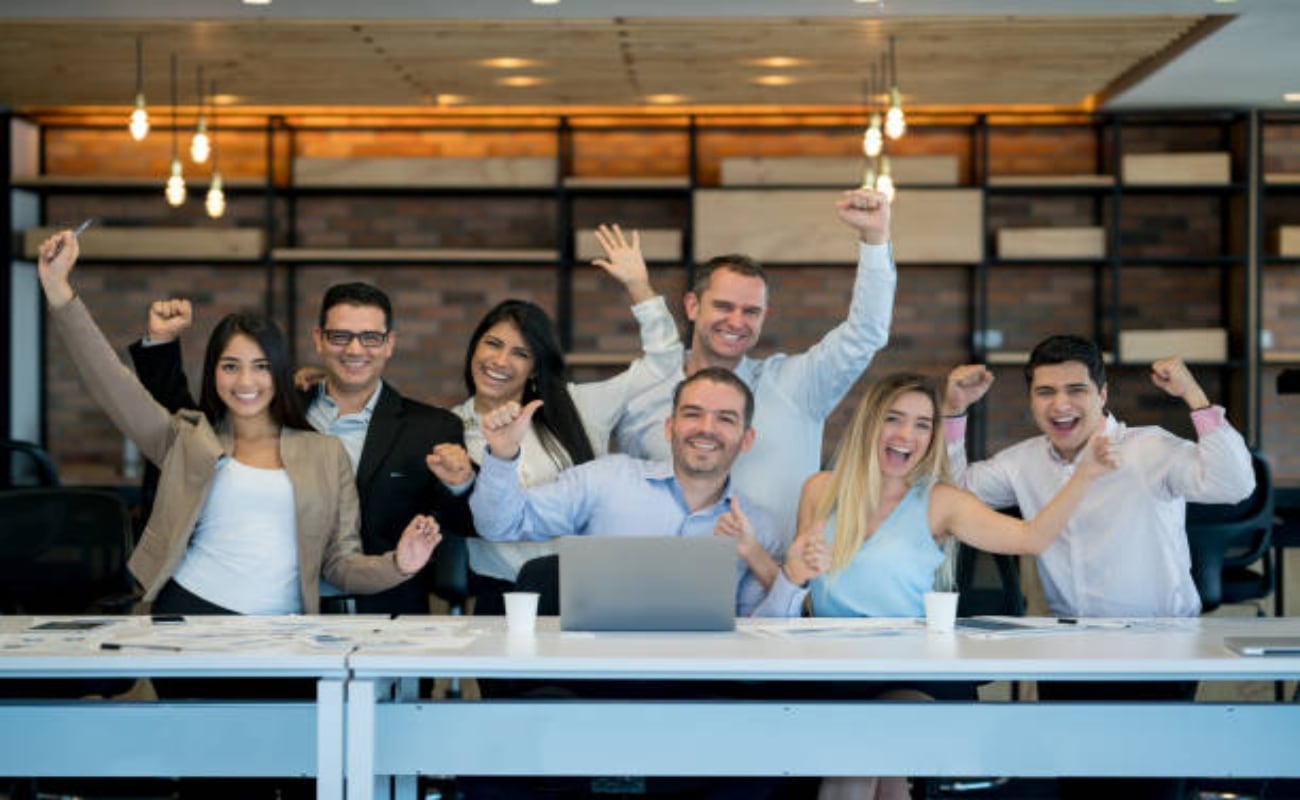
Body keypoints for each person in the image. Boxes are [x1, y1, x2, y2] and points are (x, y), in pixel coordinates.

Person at [37, 230, 441, 622]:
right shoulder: (188, 438)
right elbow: (110, 382)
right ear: (214, 373)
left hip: (285, 631)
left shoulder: (323, 451)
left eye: (261, 367)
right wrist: (59, 292)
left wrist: (398, 565)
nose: (245, 382)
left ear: (280, 373)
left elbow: (339, 564)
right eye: (230, 366)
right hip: (187, 614)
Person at [758, 372, 1116, 800]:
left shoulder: (941, 501)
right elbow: (800, 588)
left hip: (915, 675)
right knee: (884, 778)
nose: (906, 435)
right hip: (833, 671)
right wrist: (787, 565)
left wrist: (1086, 475)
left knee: (852, 767)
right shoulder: (820, 491)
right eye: (894, 419)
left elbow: (1032, 538)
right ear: (869, 424)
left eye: (923, 424)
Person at [940, 335, 1256, 800]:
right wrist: (953, 411)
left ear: (1103, 394)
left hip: (1159, 647)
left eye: (1076, 390)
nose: (1060, 405)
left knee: (1151, 787)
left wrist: (1194, 396)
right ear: (1031, 400)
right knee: (1080, 785)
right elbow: (953, 494)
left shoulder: (1150, 448)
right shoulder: (1024, 461)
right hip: (1072, 648)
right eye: (1045, 392)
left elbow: (1235, 483)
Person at [130, 282, 472, 615]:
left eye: (370, 338)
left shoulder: (432, 428)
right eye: (340, 336)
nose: (354, 350)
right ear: (319, 340)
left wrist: (462, 484)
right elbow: (190, 425)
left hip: (384, 609)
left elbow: (457, 526)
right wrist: (161, 344)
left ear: (389, 344)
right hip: (281, 608)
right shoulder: (269, 401)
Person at [614, 188, 896, 546]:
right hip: (672, 584)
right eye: (723, 306)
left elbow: (866, 333)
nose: (736, 321)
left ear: (765, 317)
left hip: (778, 587)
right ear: (691, 306)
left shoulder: (797, 385)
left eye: (751, 311)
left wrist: (875, 239)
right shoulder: (645, 397)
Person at [449, 224, 683, 612]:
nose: (500, 361)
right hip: (499, 596)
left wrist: (639, 287)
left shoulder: (578, 407)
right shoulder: (446, 426)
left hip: (584, 591)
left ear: (537, 367)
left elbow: (664, 363)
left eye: (520, 353)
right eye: (492, 344)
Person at [471, 366, 794, 618]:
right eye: (693, 414)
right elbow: (500, 525)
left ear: (747, 439)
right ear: (670, 427)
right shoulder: (606, 481)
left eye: (725, 419)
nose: (706, 428)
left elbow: (760, 636)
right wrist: (501, 456)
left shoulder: (761, 529)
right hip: (597, 679)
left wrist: (756, 556)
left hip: (699, 688)